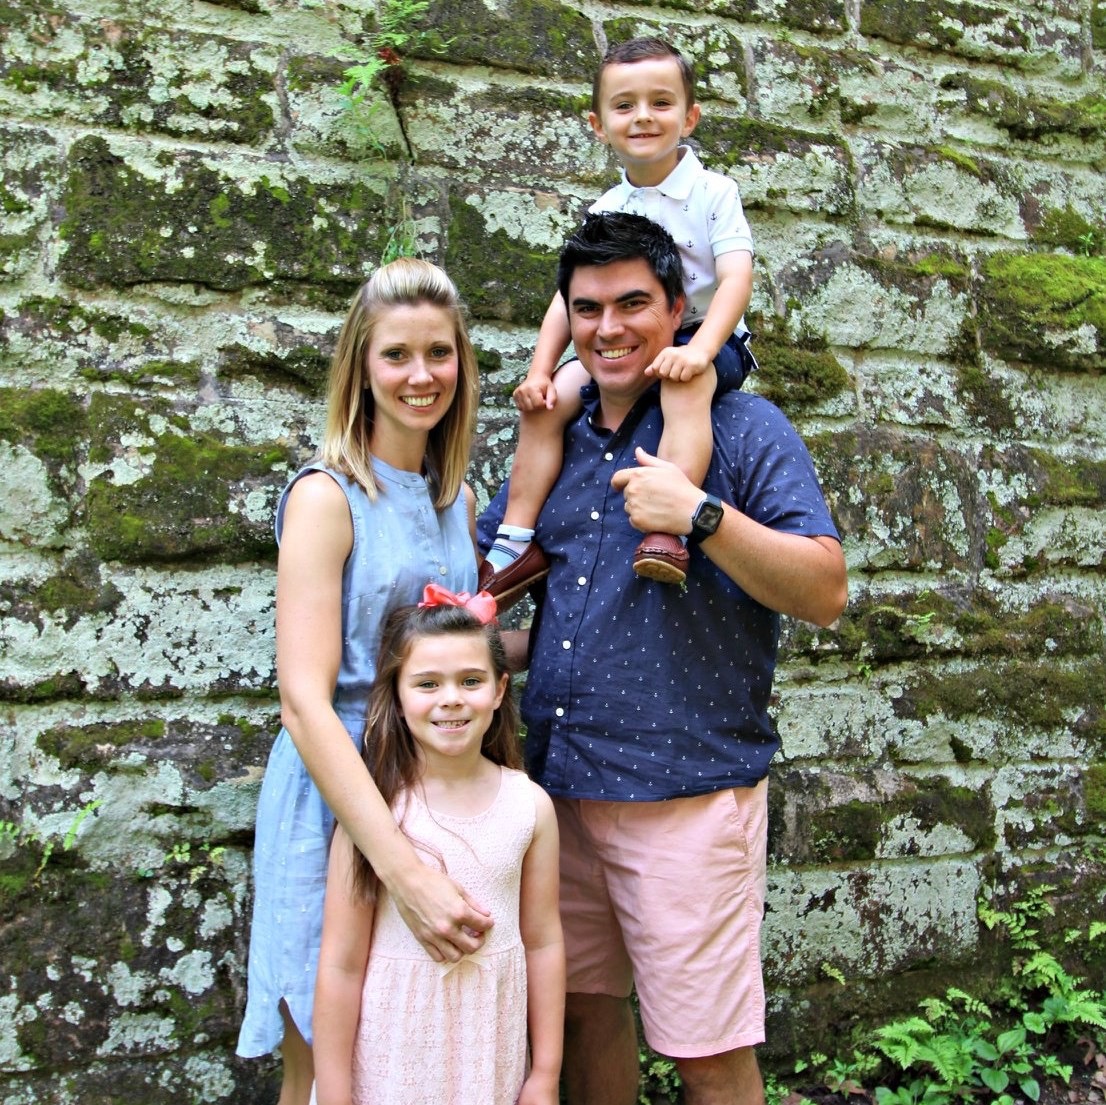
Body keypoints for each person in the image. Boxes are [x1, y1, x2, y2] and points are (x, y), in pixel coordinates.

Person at [479, 211, 848, 1105]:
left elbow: (825, 591)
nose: (608, 328)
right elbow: (528, 597)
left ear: (679, 308)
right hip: (557, 792)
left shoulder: (744, 428)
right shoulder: (552, 441)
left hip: (684, 793)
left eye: (632, 303)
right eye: (587, 308)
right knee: (578, 1018)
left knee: (706, 1054)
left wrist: (700, 515)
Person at [236, 258, 497, 1105]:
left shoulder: (457, 500)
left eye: (439, 353)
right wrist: (403, 869)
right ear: (361, 365)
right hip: (338, 792)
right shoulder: (327, 497)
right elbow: (303, 701)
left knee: (417, 1053)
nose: (421, 375)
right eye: (397, 355)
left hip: (434, 785)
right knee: (325, 1066)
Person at [481, 36, 756, 603]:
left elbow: (736, 278)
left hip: (706, 334)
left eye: (661, 102)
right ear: (598, 125)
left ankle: (667, 526)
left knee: (684, 387)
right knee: (550, 401)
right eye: (624, 105)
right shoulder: (607, 208)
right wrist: (539, 370)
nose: (643, 116)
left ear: (690, 117)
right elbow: (568, 299)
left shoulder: (713, 193)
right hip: (627, 337)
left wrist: (700, 350)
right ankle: (515, 540)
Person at [311, 589, 565, 1105]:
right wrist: (334, 1093)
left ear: (499, 690)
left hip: (490, 1060)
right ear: (397, 696)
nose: (451, 698)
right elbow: (340, 965)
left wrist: (545, 1073)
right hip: (390, 1064)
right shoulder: (375, 816)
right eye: (428, 683)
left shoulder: (529, 806)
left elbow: (543, 943)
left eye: (470, 681)